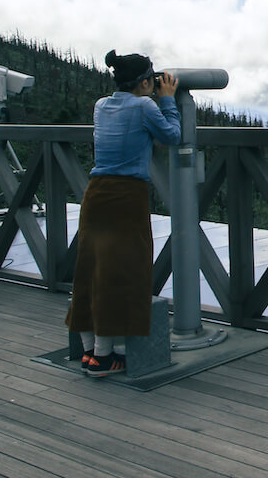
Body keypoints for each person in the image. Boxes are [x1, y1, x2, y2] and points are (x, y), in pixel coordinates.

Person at [65, 50, 181, 377]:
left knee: (90, 269)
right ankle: (106, 356)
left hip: (96, 193)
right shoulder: (145, 106)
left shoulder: (102, 105)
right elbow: (172, 135)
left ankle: (91, 351)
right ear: (146, 82)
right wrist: (167, 99)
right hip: (126, 196)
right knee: (121, 271)